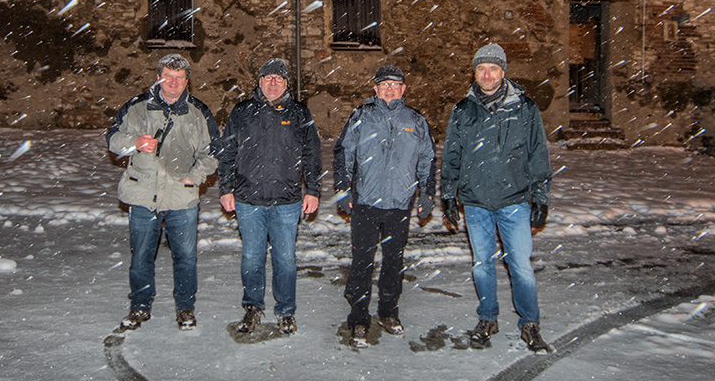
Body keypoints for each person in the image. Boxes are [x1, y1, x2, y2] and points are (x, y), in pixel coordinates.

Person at [440, 42, 553, 353]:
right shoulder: (463, 110)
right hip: (476, 202)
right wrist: (449, 194)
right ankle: (487, 317)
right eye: (481, 69)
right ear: (474, 73)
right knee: (482, 264)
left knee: (521, 265)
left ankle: (530, 322)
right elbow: (452, 155)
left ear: (503, 72)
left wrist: (540, 197)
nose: (487, 74)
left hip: (514, 200)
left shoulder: (525, 108)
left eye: (493, 69)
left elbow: (537, 155)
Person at [106, 53, 220, 331]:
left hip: (181, 197)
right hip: (143, 194)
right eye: (168, 76)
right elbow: (113, 140)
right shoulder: (136, 107)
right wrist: (134, 142)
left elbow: (213, 153)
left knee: (185, 256)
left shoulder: (198, 112)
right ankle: (140, 306)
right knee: (142, 255)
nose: (173, 82)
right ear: (158, 78)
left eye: (179, 78)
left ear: (186, 82)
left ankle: (185, 308)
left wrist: (194, 177)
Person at [216, 57, 321, 335]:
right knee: (252, 257)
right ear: (259, 82)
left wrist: (313, 190)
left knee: (285, 259)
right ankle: (252, 307)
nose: (273, 83)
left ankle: (286, 310)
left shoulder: (299, 113)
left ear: (286, 84)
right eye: (268, 78)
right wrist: (226, 188)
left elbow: (312, 155)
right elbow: (227, 153)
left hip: (286, 201)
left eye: (278, 78)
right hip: (248, 199)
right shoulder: (241, 112)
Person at [333, 64, 435, 346]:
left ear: (403, 89)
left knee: (394, 260)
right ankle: (359, 316)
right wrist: (343, 189)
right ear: (375, 89)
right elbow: (344, 153)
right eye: (384, 84)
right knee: (362, 261)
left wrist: (427, 194)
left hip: (399, 204)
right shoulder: (361, 117)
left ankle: (389, 311)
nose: (389, 88)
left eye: (395, 84)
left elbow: (427, 158)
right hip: (365, 202)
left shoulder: (415, 120)